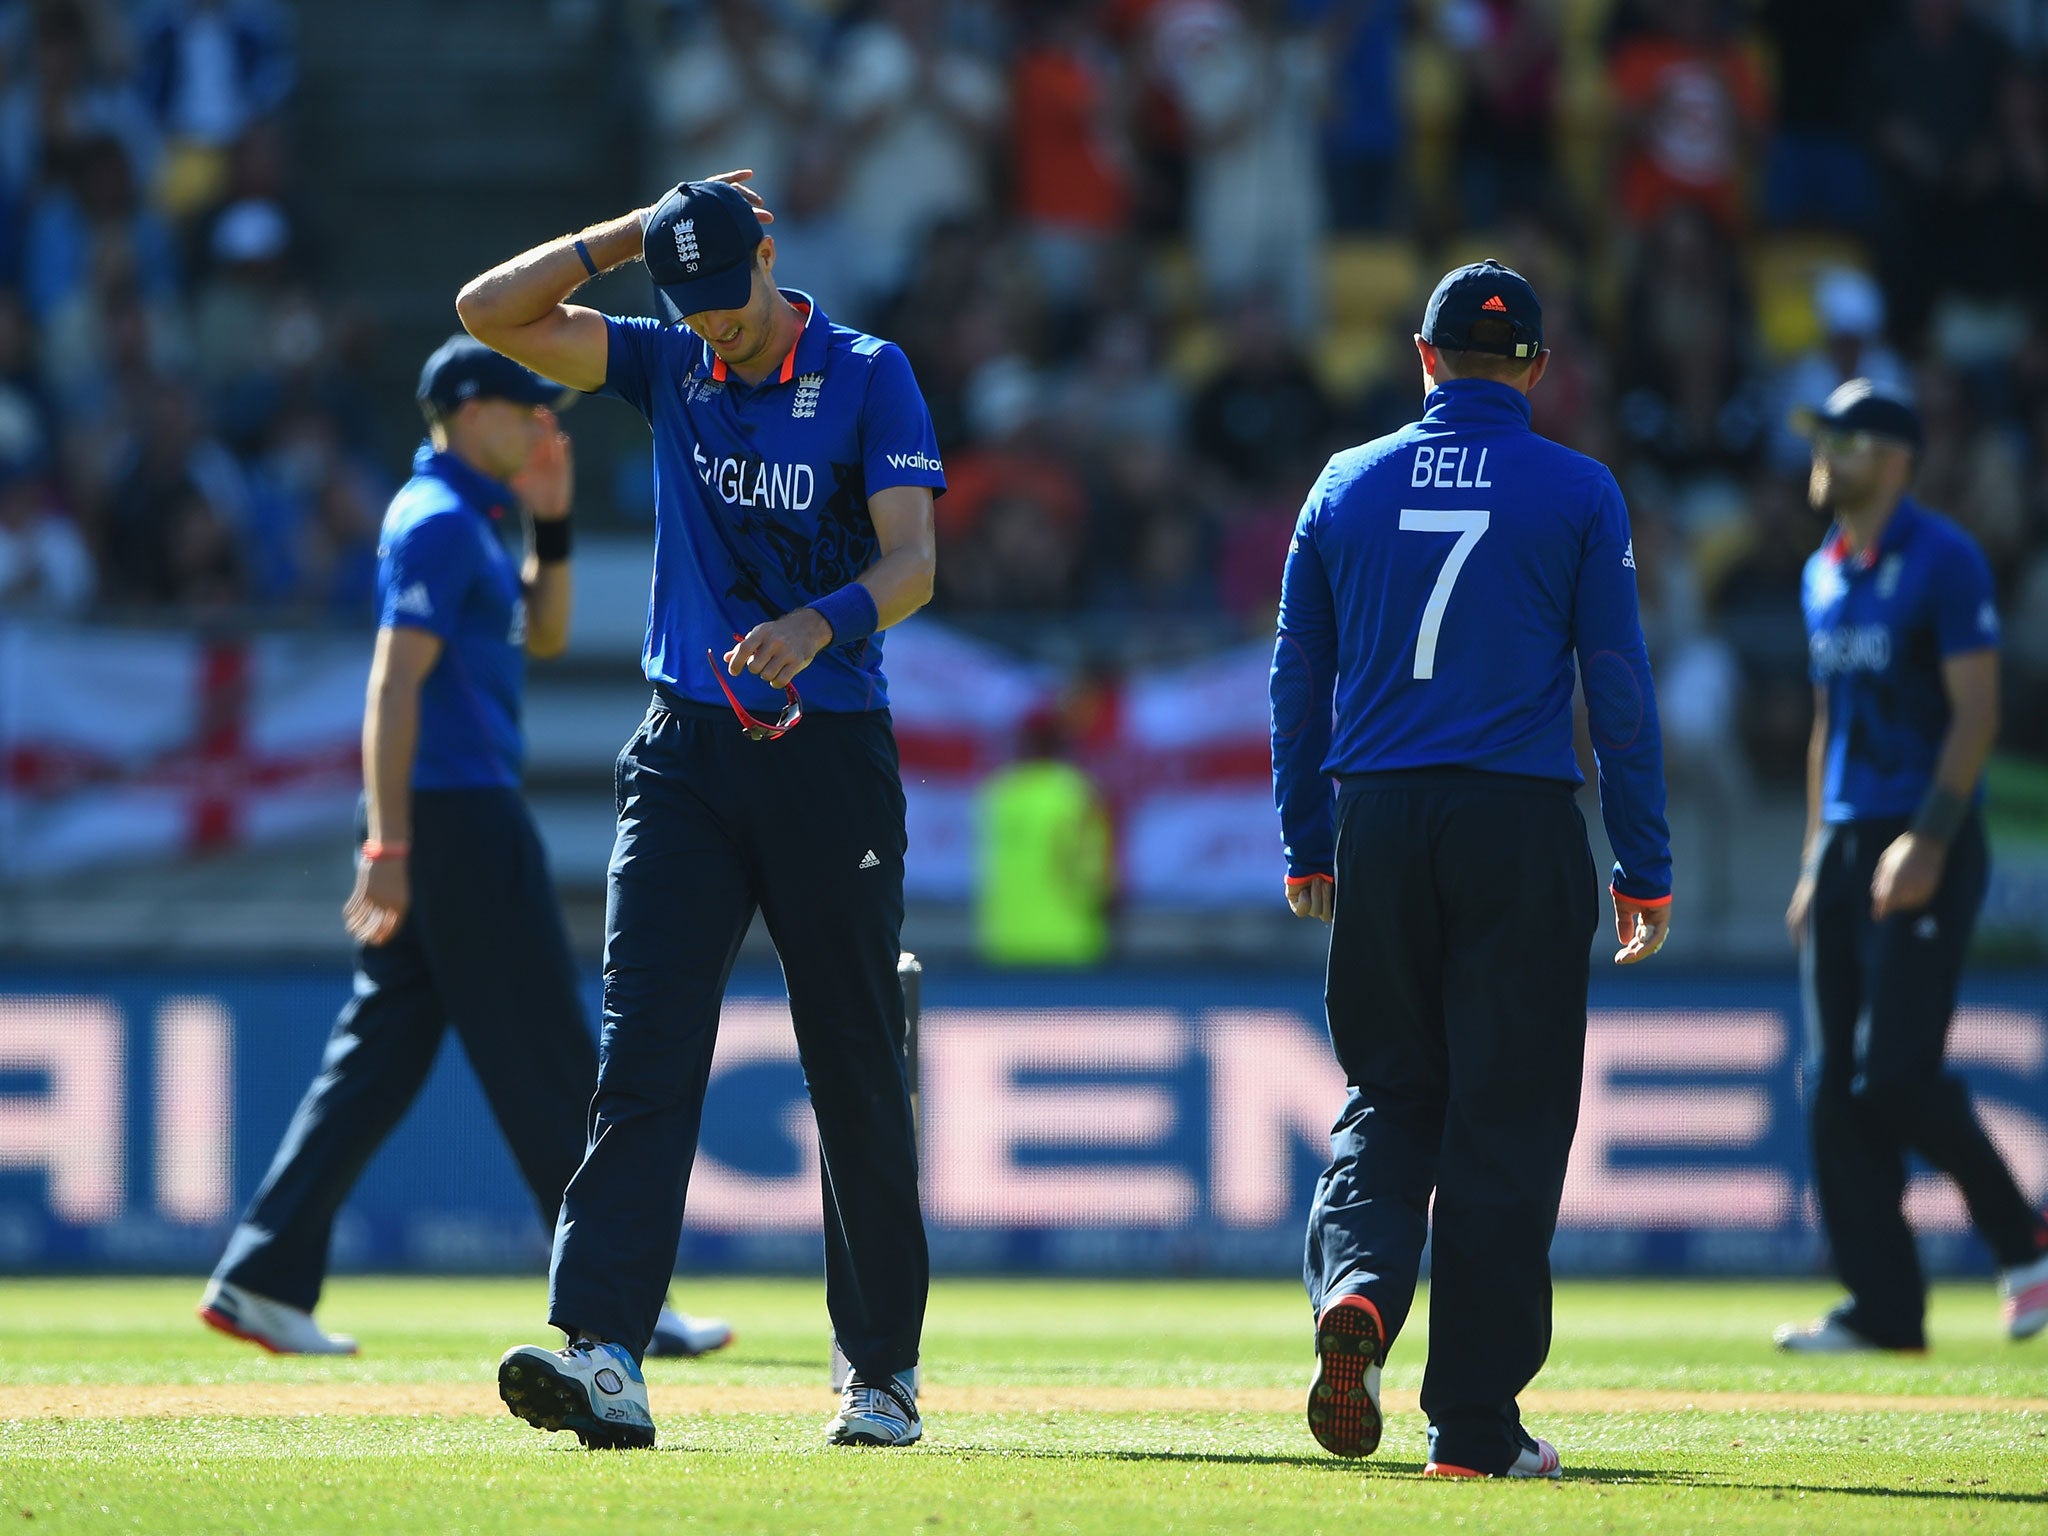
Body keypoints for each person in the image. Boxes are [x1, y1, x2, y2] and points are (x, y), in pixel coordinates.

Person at [455, 172, 942, 1451]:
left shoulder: (867, 371)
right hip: (682, 751)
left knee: (850, 1057)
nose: (720, 327)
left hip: (828, 749)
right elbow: (488, 312)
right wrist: (628, 237)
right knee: (643, 1051)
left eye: (731, 297)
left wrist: (814, 623)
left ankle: (878, 1372)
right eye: (697, 305)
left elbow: (913, 563)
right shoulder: (670, 360)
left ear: (769, 254)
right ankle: (603, 1349)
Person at [198, 337, 731, 1363]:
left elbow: (542, 634)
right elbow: (391, 687)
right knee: (551, 1057)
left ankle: (261, 1274)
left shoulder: (469, 518)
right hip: (455, 819)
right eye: (523, 407)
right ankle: (619, 1295)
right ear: (465, 409)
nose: (542, 423)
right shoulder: (439, 522)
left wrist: (555, 518)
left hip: (451, 814)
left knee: (381, 1054)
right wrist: (389, 840)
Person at [1270, 260, 1673, 1479]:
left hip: (1381, 819)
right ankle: (1472, 1427)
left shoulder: (1343, 483)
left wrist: (1306, 836)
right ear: (1535, 370)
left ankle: (1358, 1291)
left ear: (1423, 357)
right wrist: (1640, 863)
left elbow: (1296, 681)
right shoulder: (1579, 491)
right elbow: (1617, 691)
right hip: (1517, 825)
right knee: (1505, 1118)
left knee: (1390, 1093)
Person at [1776, 380, 2048, 1353]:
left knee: (1888, 1075)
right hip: (1848, 838)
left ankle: (2021, 1237)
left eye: (1842, 441)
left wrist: (1927, 841)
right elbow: (1825, 727)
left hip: (1924, 829)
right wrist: (1815, 853)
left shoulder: (1942, 559)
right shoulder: (1821, 571)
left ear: (1892, 458)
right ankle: (1881, 1310)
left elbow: (1974, 713)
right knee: (1828, 1091)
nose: (1822, 456)